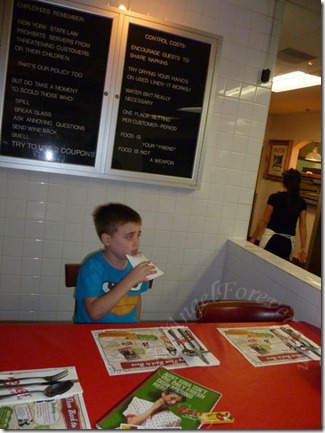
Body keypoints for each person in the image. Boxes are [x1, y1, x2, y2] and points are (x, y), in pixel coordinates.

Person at [74, 203, 156, 323]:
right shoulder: (92, 267)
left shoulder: (136, 264)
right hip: (90, 333)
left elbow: (136, 299)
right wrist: (130, 280)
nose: (137, 243)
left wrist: (136, 325)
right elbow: (95, 313)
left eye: (138, 235)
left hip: (125, 335)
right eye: (129, 237)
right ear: (107, 239)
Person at [249, 168, 307, 262]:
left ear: (284, 183)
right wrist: (303, 247)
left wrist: (254, 238)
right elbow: (303, 226)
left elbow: (264, 219)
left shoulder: (274, 197)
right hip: (288, 243)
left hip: (271, 238)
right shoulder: (301, 203)